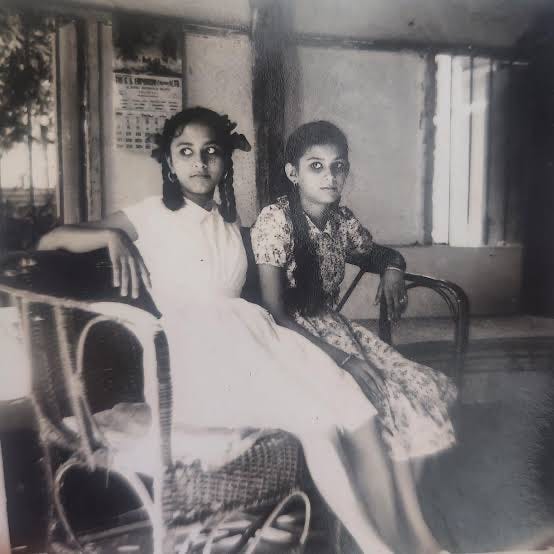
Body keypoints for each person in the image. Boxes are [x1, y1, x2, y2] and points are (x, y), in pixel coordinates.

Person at [37, 107, 415, 553]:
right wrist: (112, 236)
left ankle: (388, 543)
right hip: (196, 358)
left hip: (255, 342)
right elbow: (51, 239)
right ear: (169, 162)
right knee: (316, 425)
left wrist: (388, 264)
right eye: (186, 152)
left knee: (348, 412)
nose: (199, 163)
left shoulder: (229, 220)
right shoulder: (150, 214)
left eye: (211, 152)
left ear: (224, 162)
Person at [251, 120, 458, 552]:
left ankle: (406, 526)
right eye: (316, 166)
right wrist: (345, 360)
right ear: (293, 173)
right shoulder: (276, 220)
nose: (329, 176)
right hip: (293, 338)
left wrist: (394, 269)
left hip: (336, 329)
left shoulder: (340, 220)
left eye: (338, 166)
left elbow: (380, 253)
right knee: (387, 399)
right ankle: (399, 535)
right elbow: (274, 312)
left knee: (421, 387)